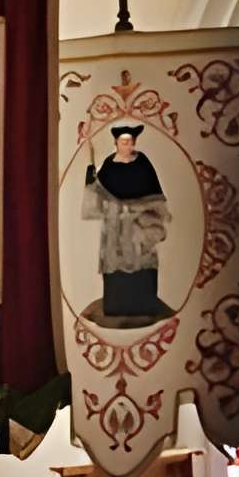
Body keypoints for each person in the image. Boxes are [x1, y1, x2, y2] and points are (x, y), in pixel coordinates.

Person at [81, 117, 171, 327]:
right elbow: (98, 191)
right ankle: (117, 306)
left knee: (142, 264)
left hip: (141, 225)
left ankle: (144, 305)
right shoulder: (110, 166)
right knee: (117, 266)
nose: (128, 145)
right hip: (117, 228)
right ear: (116, 144)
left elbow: (156, 194)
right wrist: (90, 165)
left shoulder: (143, 163)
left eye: (130, 141)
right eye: (124, 142)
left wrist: (145, 213)